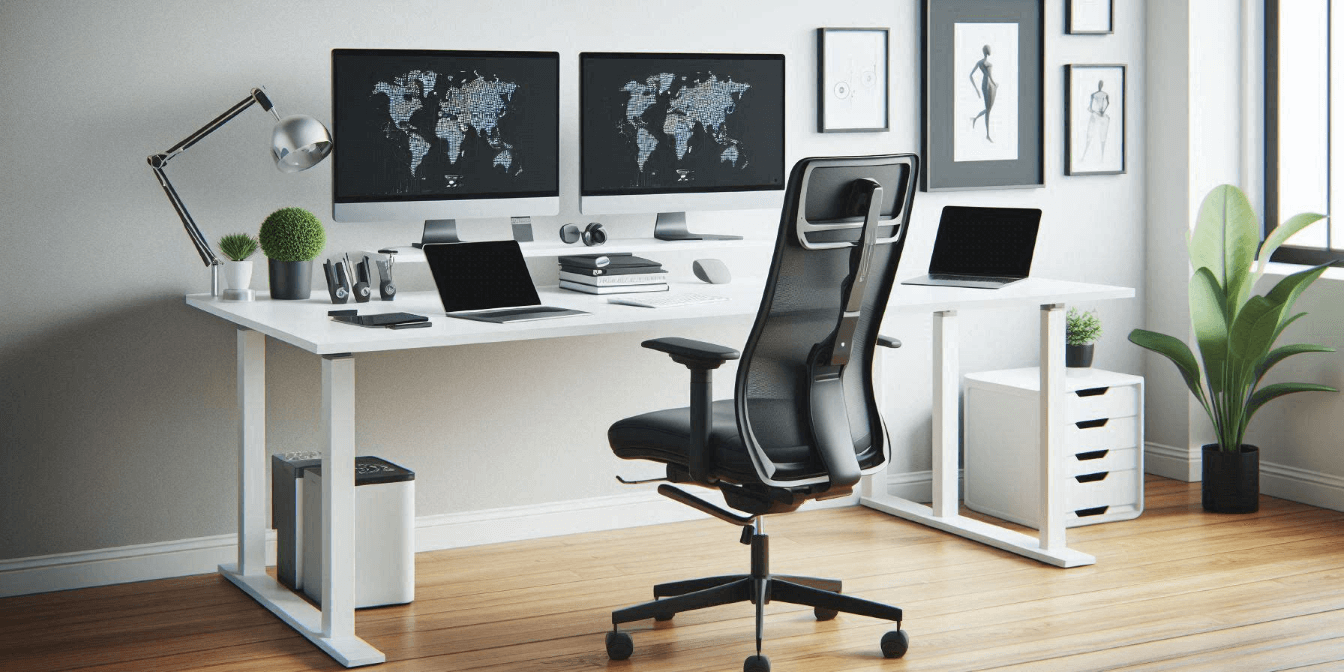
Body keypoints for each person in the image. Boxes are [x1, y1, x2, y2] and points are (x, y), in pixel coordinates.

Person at [969, 44, 997, 142]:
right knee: (988, 110)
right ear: (987, 51)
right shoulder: (987, 63)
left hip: (984, 85)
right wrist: (995, 84)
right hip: (988, 85)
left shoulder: (980, 62)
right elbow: (990, 76)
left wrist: (977, 89)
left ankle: (976, 119)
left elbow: (970, 75)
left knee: (988, 110)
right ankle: (987, 135)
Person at [1081, 79, 1110, 163]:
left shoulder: (1100, 94)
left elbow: (1107, 103)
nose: (1100, 85)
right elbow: (1091, 107)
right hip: (1097, 115)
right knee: (1091, 135)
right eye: (1100, 84)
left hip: (1099, 116)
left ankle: (1102, 158)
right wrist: (1100, 111)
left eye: (1101, 84)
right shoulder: (1095, 94)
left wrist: (1101, 111)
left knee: (1101, 136)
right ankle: (1084, 156)